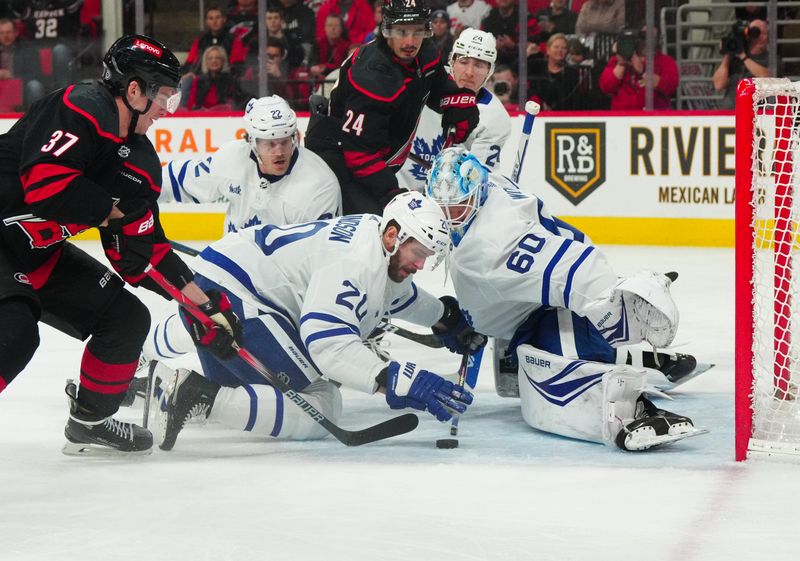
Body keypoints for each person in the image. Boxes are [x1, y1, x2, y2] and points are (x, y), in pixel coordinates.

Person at [0, 34, 241, 456]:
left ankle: (89, 422)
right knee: (15, 332)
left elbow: (142, 254)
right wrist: (113, 212)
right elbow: (46, 186)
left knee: (126, 318)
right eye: (164, 95)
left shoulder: (140, 166)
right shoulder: (79, 107)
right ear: (134, 90)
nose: (168, 109)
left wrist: (202, 306)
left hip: (38, 254)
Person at [425, 147, 707, 451]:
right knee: (531, 357)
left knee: (561, 361)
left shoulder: (492, 244)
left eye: (456, 207)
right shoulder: (485, 187)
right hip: (524, 301)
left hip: (554, 302)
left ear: (478, 193)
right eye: (441, 206)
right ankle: (636, 358)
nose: (447, 216)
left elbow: (579, 269)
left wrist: (621, 313)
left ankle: (632, 408)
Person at [155, 192, 481, 450]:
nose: (421, 266)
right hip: (235, 298)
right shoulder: (356, 262)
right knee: (322, 404)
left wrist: (444, 317)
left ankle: (142, 374)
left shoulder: (375, 232)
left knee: (253, 393)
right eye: (419, 254)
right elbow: (327, 343)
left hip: (219, 287)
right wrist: (395, 378)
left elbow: (393, 294)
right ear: (394, 235)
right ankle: (199, 396)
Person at [305, 0, 479, 215]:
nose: (410, 41)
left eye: (417, 31)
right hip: (339, 159)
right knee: (382, 229)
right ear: (386, 31)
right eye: (401, 31)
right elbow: (359, 155)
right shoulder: (373, 77)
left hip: (371, 154)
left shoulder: (425, 51)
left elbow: (435, 83)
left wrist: (458, 101)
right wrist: (391, 194)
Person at [398, 28, 510, 192]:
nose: (469, 72)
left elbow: (479, 179)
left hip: (448, 198)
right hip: (394, 189)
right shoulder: (424, 80)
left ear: (489, 71)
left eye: (479, 65)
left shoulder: (495, 118)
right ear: (452, 62)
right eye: (464, 62)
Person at [598, 27, 678, 111]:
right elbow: (606, 87)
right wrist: (623, 61)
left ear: (658, 40)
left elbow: (670, 86)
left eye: (652, 37)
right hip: (622, 117)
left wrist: (643, 72)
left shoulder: (665, 61)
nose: (648, 41)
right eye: (644, 36)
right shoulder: (616, 61)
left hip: (653, 117)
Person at [712, 19, 770, 110]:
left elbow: (766, 76)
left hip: (755, 115)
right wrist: (728, 53)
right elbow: (718, 85)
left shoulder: (771, 59)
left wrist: (743, 56)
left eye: (765, 34)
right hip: (729, 114)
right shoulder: (734, 59)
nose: (763, 38)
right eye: (758, 34)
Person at [528, 33, 584, 111]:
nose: (560, 50)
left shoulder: (571, 72)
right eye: (556, 47)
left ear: (567, 52)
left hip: (560, 114)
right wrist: (528, 54)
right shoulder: (535, 65)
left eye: (563, 48)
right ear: (548, 49)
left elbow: (571, 100)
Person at [185, 45, 246, 110]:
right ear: (206, 61)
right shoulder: (198, 80)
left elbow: (234, 105)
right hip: (202, 117)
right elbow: (190, 106)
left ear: (223, 61)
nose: (214, 61)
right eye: (210, 58)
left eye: (218, 58)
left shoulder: (231, 80)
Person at [310, 14, 351, 80]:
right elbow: (312, 62)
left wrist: (326, 68)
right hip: (319, 79)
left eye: (336, 26)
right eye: (330, 25)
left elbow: (344, 68)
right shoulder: (318, 44)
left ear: (341, 29)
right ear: (325, 28)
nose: (333, 29)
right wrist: (314, 68)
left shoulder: (347, 46)